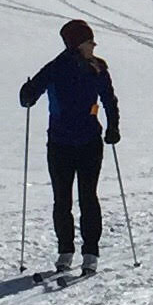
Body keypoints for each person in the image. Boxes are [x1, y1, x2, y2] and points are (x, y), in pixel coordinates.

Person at [18, 18, 122, 275]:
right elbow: (31, 94)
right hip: (60, 144)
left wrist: (113, 127)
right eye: (89, 41)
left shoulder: (97, 69)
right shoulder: (55, 68)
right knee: (61, 200)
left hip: (89, 141)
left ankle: (91, 252)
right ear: (76, 44)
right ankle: (65, 251)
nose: (93, 45)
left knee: (88, 197)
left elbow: (109, 100)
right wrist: (27, 93)